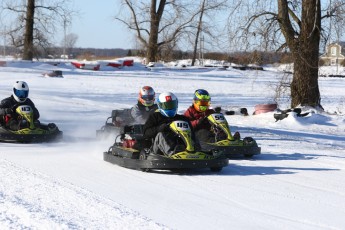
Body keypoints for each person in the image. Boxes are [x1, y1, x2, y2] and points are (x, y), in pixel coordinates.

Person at [143, 92, 198, 156]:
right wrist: (160, 128)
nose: (170, 108)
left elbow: (192, 133)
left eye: (172, 105)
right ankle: (173, 154)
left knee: (190, 134)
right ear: (160, 105)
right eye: (167, 105)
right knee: (161, 134)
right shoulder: (155, 116)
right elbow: (146, 133)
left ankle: (195, 151)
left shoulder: (182, 118)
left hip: (180, 146)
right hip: (158, 150)